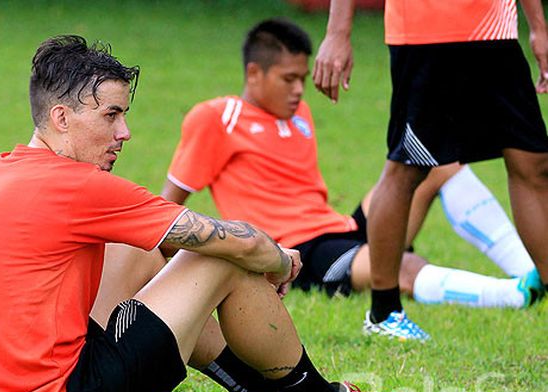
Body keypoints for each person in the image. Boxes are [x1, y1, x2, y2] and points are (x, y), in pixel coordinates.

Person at [0, 35, 411, 392]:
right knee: (218, 259)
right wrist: (282, 262)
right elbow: (236, 243)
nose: (125, 132)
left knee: (137, 246)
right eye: (111, 116)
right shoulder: (76, 187)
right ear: (61, 117)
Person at [162, 18, 542, 344]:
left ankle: (531, 268)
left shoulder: (300, 115)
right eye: (288, 79)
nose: (298, 90)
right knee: (400, 268)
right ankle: (514, 294)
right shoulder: (216, 117)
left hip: (341, 226)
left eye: (303, 79)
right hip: (301, 252)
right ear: (253, 73)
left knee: (440, 165)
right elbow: (170, 208)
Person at [313, 0, 548, 340]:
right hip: (425, 34)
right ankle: (384, 312)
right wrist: (337, 33)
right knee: (408, 168)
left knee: (534, 162)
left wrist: (538, 27)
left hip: (495, 29)